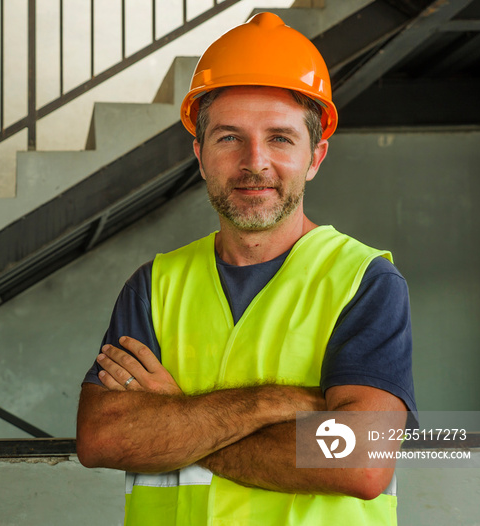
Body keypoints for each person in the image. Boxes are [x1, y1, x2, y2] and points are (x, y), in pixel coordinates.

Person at [76, 12, 416, 526]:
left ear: (315, 156)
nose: (254, 162)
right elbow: (102, 437)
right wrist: (270, 404)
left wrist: (177, 421)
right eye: (229, 138)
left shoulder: (364, 282)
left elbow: (359, 461)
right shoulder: (154, 286)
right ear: (200, 153)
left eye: (280, 138)